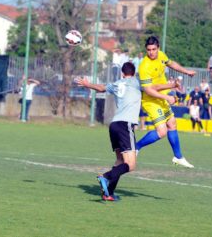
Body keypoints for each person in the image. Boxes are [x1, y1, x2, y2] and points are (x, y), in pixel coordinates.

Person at [75, 62, 178, 201]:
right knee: (130, 164)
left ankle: (109, 193)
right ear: (134, 73)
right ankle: (105, 177)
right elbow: (154, 87)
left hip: (114, 125)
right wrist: (171, 86)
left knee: (119, 160)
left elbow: (100, 88)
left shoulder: (117, 83)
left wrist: (87, 84)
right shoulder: (136, 83)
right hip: (125, 125)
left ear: (122, 73)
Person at [136, 36, 196, 168]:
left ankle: (178, 157)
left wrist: (186, 72)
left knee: (172, 124)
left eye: (154, 49)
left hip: (161, 97)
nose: (151, 52)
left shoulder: (161, 55)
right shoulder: (144, 66)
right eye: (149, 50)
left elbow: (171, 63)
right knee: (162, 132)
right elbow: (149, 89)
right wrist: (168, 95)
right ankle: (136, 147)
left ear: (158, 48)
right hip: (151, 100)